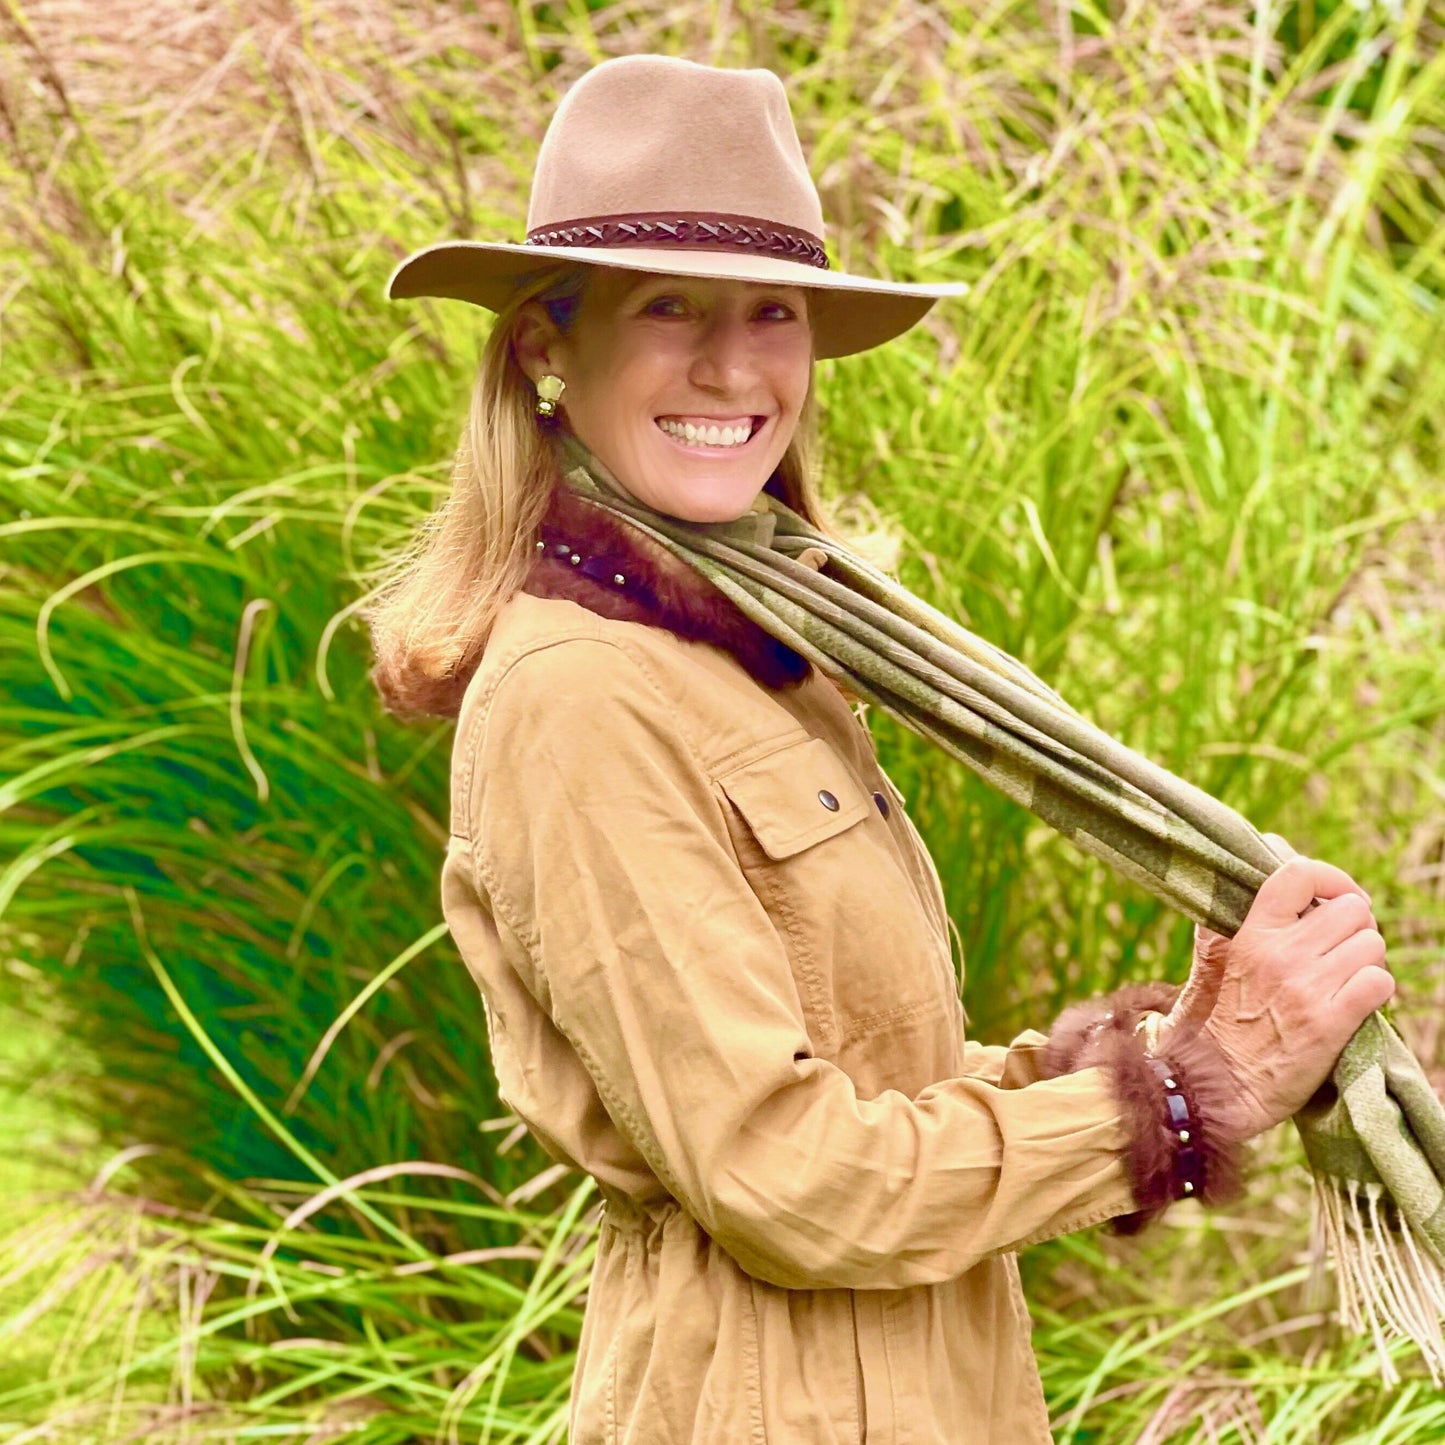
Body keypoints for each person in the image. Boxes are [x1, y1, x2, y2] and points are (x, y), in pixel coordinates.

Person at [371, 53, 1394, 1445]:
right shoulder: (581, 695)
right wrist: (1175, 1098)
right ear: (547, 347)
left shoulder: (762, 653)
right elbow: (785, 1177)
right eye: (666, 306)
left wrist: (1182, 1047)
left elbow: (873, 1090)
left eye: (771, 311)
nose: (731, 365)